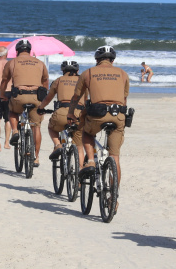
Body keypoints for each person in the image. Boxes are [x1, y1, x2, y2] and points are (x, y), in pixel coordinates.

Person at [68, 46, 130, 183]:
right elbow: (124, 99)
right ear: (112, 60)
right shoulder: (123, 74)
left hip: (97, 115)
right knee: (115, 157)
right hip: (118, 115)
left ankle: (91, 161)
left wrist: (71, 113)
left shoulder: (88, 73)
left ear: (97, 60)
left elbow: (76, 97)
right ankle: (114, 193)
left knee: (87, 133)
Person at [0, 39, 49, 167]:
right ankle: (36, 157)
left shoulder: (12, 62)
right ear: (30, 51)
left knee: (12, 111)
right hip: (36, 97)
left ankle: (15, 131)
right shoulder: (40, 63)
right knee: (36, 126)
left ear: (17, 51)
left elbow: (4, 80)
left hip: (19, 96)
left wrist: (2, 95)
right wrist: (43, 96)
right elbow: (45, 81)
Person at [38, 59, 83, 160]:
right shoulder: (83, 81)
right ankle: (80, 168)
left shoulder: (58, 80)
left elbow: (48, 98)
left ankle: (58, 145)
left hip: (62, 113)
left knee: (51, 128)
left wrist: (40, 108)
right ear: (77, 71)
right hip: (79, 115)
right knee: (79, 147)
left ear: (63, 70)